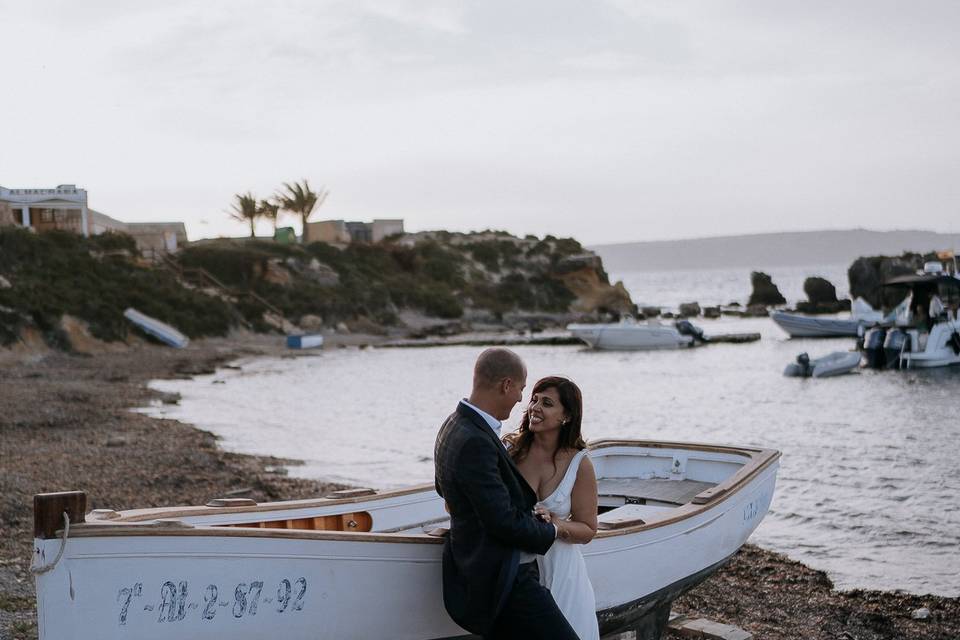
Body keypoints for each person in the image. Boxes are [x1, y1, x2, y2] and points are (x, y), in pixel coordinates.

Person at [434, 349, 579, 640]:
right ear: (506, 385)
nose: (520, 400)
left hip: (476, 564)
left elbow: (443, 489)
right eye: (522, 390)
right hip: (504, 576)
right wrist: (549, 529)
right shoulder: (476, 440)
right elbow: (503, 522)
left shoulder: (453, 424)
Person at [504, 376, 600, 640]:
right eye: (534, 399)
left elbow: (588, 529)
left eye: (547, 403)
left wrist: (556, 524)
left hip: (561, 569)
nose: (535, 407)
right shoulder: (510, 450)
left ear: (566, 415)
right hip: (514, 567)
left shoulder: (579, 463)